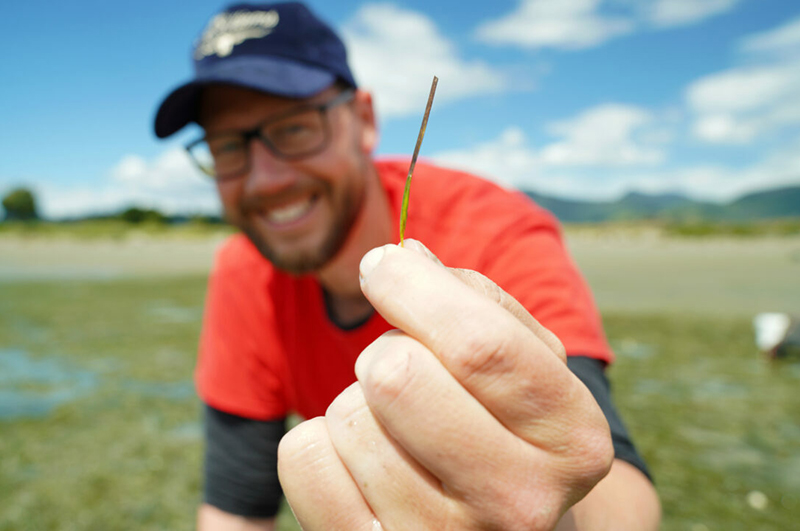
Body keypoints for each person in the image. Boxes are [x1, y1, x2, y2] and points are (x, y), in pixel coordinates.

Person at [154, 2, 661, 530]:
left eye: (295, 128)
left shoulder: (499, 232)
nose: (264, 180)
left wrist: (559, 516)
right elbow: (235, 508)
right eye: (227, 146)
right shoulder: (245, 269)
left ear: (364, 121)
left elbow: (613, 475)